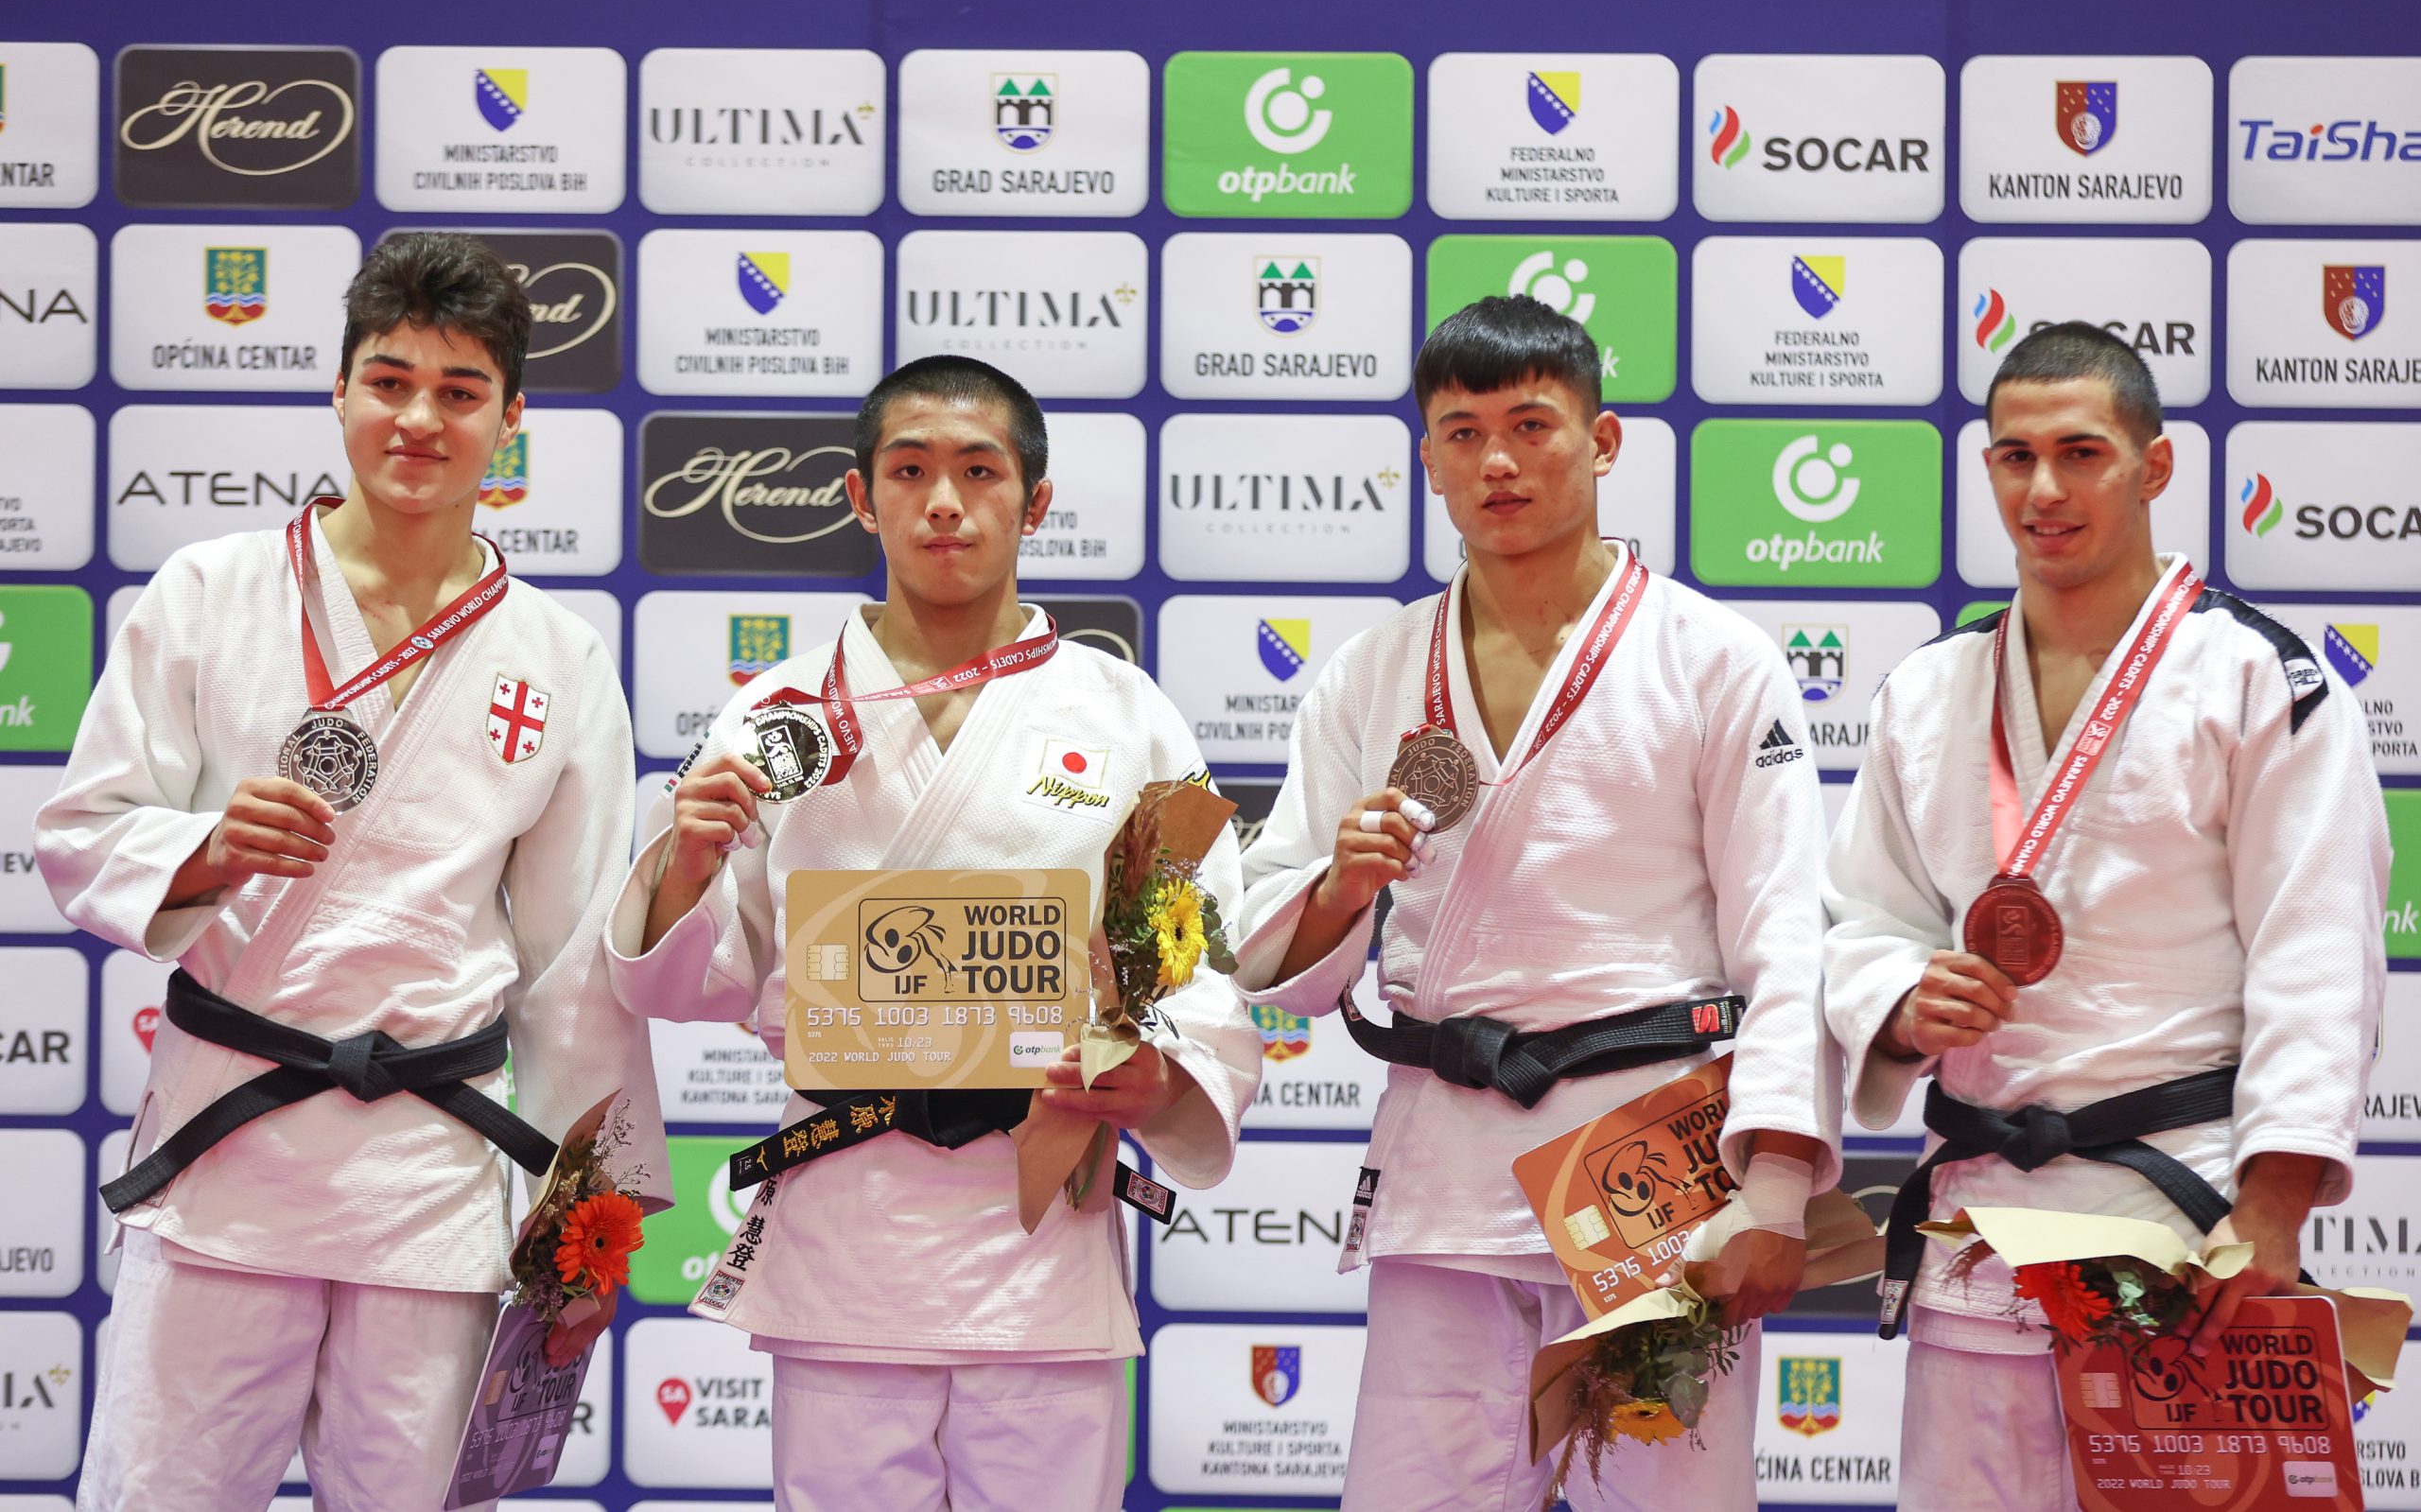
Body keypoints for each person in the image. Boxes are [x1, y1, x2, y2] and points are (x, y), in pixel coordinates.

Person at [38, 232, 664, 1512]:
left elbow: (571, 965)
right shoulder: (209, 593)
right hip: (228, 1154)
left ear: (511, 420)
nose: (419, 418)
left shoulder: (558, 655)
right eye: (389, 381)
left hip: (428, 1179)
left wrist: (588, 1216)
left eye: (459, 391)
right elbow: (82, 830)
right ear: (338, 390)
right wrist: (204, 849)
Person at [606, 355, 1263, 1512]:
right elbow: (684, 981)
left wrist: (1158, 1072)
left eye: (979, 471)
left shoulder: (1123, 713)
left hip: (1040, 1213)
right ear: (861, 498)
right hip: (849, 1214)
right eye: (908, 471)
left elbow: (1194, 951)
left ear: (1035, 500)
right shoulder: (776, 714)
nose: (943, 502)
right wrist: (686, 862)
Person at [1230, 296, 1841, 1512]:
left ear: (1601, 441)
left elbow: (1784, 934)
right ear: (1426, 458)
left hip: (1654, 1173)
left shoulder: (1714, 657)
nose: (1495, 462)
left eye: (1529, 426)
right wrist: (1342, 884)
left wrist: (1775, 1187)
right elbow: (1270, 959)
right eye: (1462, 434)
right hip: (1449, 1166)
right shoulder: (1371, 669)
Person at [1823, 322, 2390, 1511]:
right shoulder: (1926, 689)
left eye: (2079, 452)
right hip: (1979, 1226)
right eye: (2013, 456)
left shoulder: (2257, 680)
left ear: (2153, 465)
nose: (2042, 488)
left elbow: (2315, 954)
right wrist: (1900, 996)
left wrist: (2271, 1208)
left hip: (2182, 1222)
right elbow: (1859, 913)